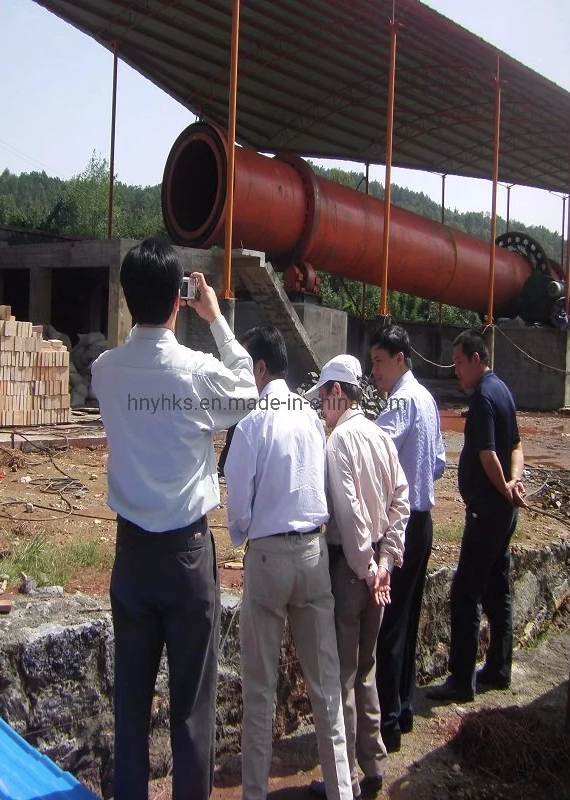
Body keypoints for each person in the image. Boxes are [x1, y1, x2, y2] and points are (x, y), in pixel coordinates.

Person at [91, 239, 258, 800]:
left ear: (127, 296)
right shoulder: (195, 372)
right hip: (187, 556)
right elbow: (247, 392)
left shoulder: (104, 373)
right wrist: (216, 320)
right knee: (191, 707)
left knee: (131, 705)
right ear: (177, 301)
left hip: (132, 556)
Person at [223, 326, 353, 800]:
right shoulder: (311, 415)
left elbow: (238, 496)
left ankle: (254, 793)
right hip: (313, 554)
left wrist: (244, 535)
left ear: (259, 369)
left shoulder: (254, 420)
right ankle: (342, 790)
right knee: (325, 686)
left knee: (260, 691)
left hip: (270, 556)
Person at [304, 355, 409, 800]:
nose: (322, 407)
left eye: (324, 397)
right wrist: (386, 563)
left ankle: (342, 778)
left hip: (351, 573)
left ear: (336, 394)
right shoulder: (379, 436)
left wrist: (366, 567)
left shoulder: (339, 442)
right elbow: (400, 499)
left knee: (343, 675)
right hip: (377, 573)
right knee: (366, 667)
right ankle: (374, 762)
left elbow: (348, 515)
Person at [426, 329, 527, 703]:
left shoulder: (485, 396)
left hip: (488, 511)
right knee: (497, 585)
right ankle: (499, 667)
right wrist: (515, 483)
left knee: (465, 592)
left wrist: (504, 487)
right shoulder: (503, 389)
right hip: (503, 510)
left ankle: (461, 679)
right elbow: (516, 444)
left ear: (475, 359)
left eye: (458, 363)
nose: (455, 371)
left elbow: (488, 455)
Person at [369, 325, 446, 750]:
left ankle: (388, 725)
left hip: (400, 525)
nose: (374, 370)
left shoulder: (400, 401)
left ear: (400, 358)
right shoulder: (428, 399)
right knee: (409, 619)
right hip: (424, 520)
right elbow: (438, 462)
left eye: (380, 361)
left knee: (390, 627)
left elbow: (372, 451)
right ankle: (404, 706)